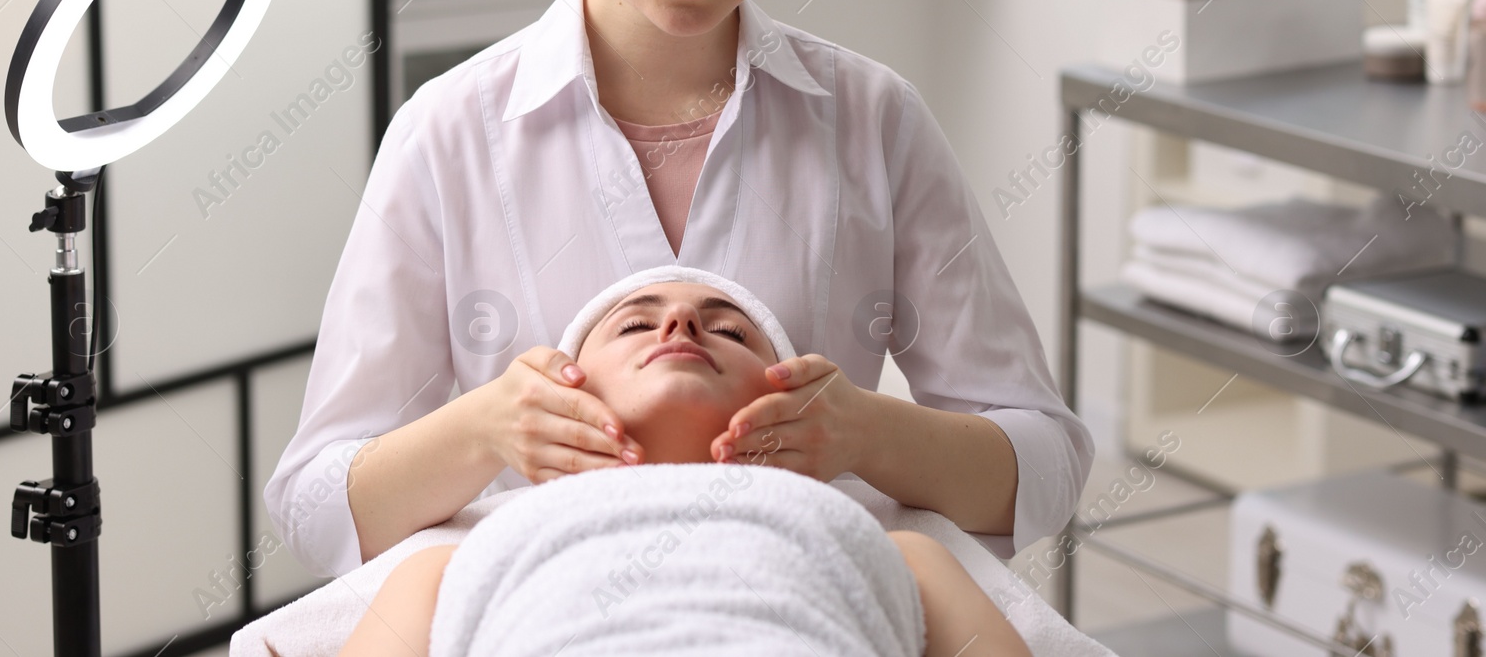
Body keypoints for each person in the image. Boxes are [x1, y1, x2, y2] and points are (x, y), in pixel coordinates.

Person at [264, 0, 1092, 581]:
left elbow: (1045, 465)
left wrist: (867, 429)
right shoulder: (447, 134)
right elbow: (313, 506)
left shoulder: (872, 121)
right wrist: (484, 427)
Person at [336, 270, 1033, 657]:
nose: (681, 325)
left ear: (789, 398)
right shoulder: (448, 563)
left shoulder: (904, 555)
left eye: (729, 329)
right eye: (637, 322)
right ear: (558, 393)